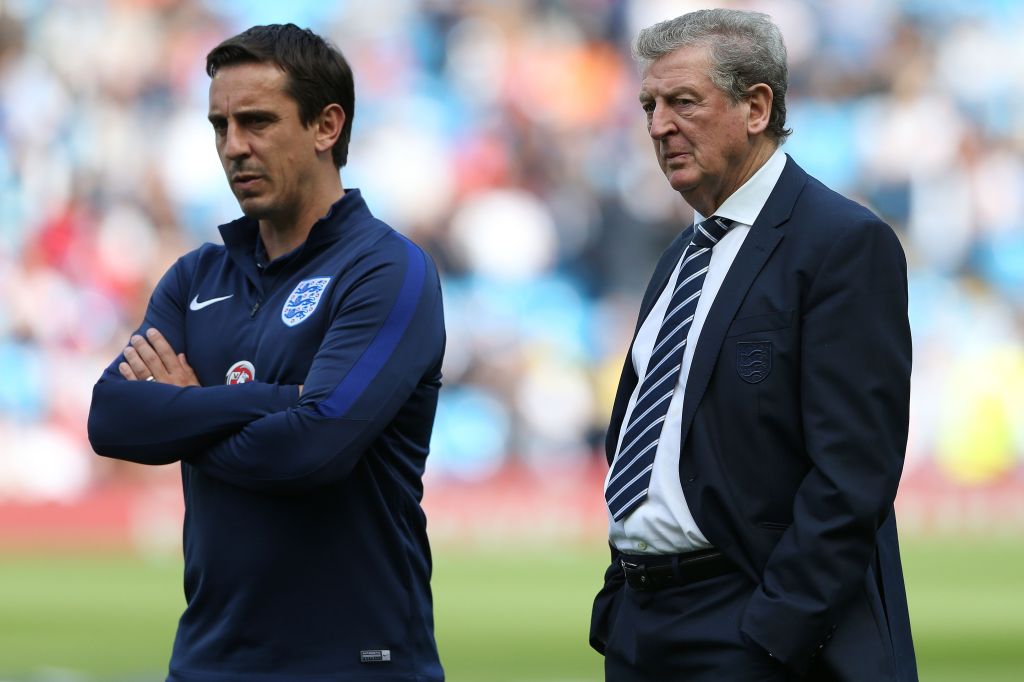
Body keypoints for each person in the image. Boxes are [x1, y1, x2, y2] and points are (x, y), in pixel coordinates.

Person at [87, 24, 445, 682]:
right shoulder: (197, 276)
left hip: (356, 663)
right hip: (208, 659)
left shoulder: (388, 270)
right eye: (219, 126)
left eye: (256, 121)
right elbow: (110, 418)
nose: (233, 147)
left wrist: (188, 410)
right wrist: (275, 403)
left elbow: (314, 449)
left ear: (326, 126)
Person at [589, 9, 917, 682]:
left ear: (756, 107)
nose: (658, 126)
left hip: (746, 632)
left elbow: (852, 475)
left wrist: (771, 634)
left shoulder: (841, 244)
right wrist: (621, 600)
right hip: (643, 631)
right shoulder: (682, 254)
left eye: (683, 102)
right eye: (649, 105)